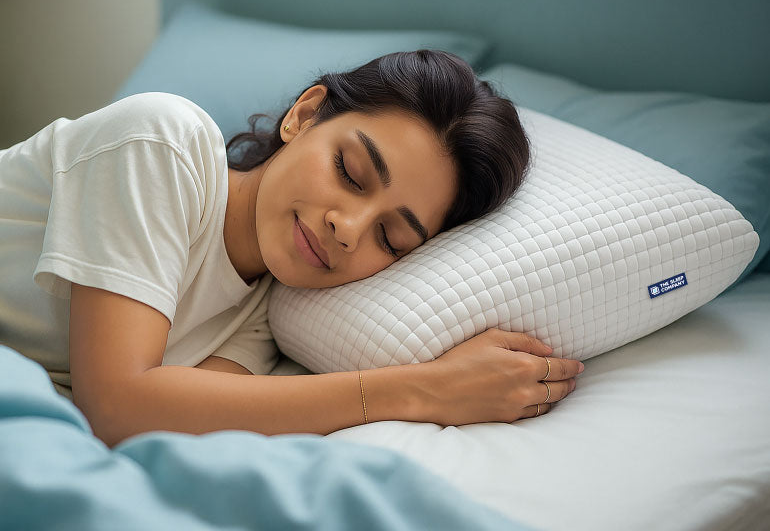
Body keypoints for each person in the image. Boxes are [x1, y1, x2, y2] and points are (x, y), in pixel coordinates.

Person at [0, 49, 583, 449]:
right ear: (303, 116)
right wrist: (426, 388)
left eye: (391, 237)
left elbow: (165, 425)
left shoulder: (263, 320)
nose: (349, 228)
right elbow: (119, 405)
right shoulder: (162, 142)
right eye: (351, 173)